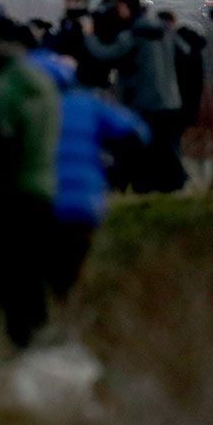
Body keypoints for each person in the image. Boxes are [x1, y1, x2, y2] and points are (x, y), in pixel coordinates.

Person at [0, 28, 60, 349]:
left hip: (10, 194)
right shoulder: (39, 82)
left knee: (4, 278)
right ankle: (39, 343)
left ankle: (8, 349)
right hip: (44, 187)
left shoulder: (1, 91)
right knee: (32, 279)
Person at [29, 50, 149, 299]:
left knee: (38, 274)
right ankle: (75, 314)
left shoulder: (27, 107)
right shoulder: (87, 103)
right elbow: (136, 133)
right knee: (73, 270)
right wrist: (112, 168)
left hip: (39, 200)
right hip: (84, 202)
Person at [82, 0, 188, 193]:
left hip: (144, 102)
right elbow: (184, 52)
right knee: (166, 149)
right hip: (170, 100)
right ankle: (173, 186)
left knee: (142, 149)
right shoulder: (163, 30)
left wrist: (89, 35)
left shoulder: (133, 35)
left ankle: (144, 187)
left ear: (125, 8)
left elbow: (106, 54)